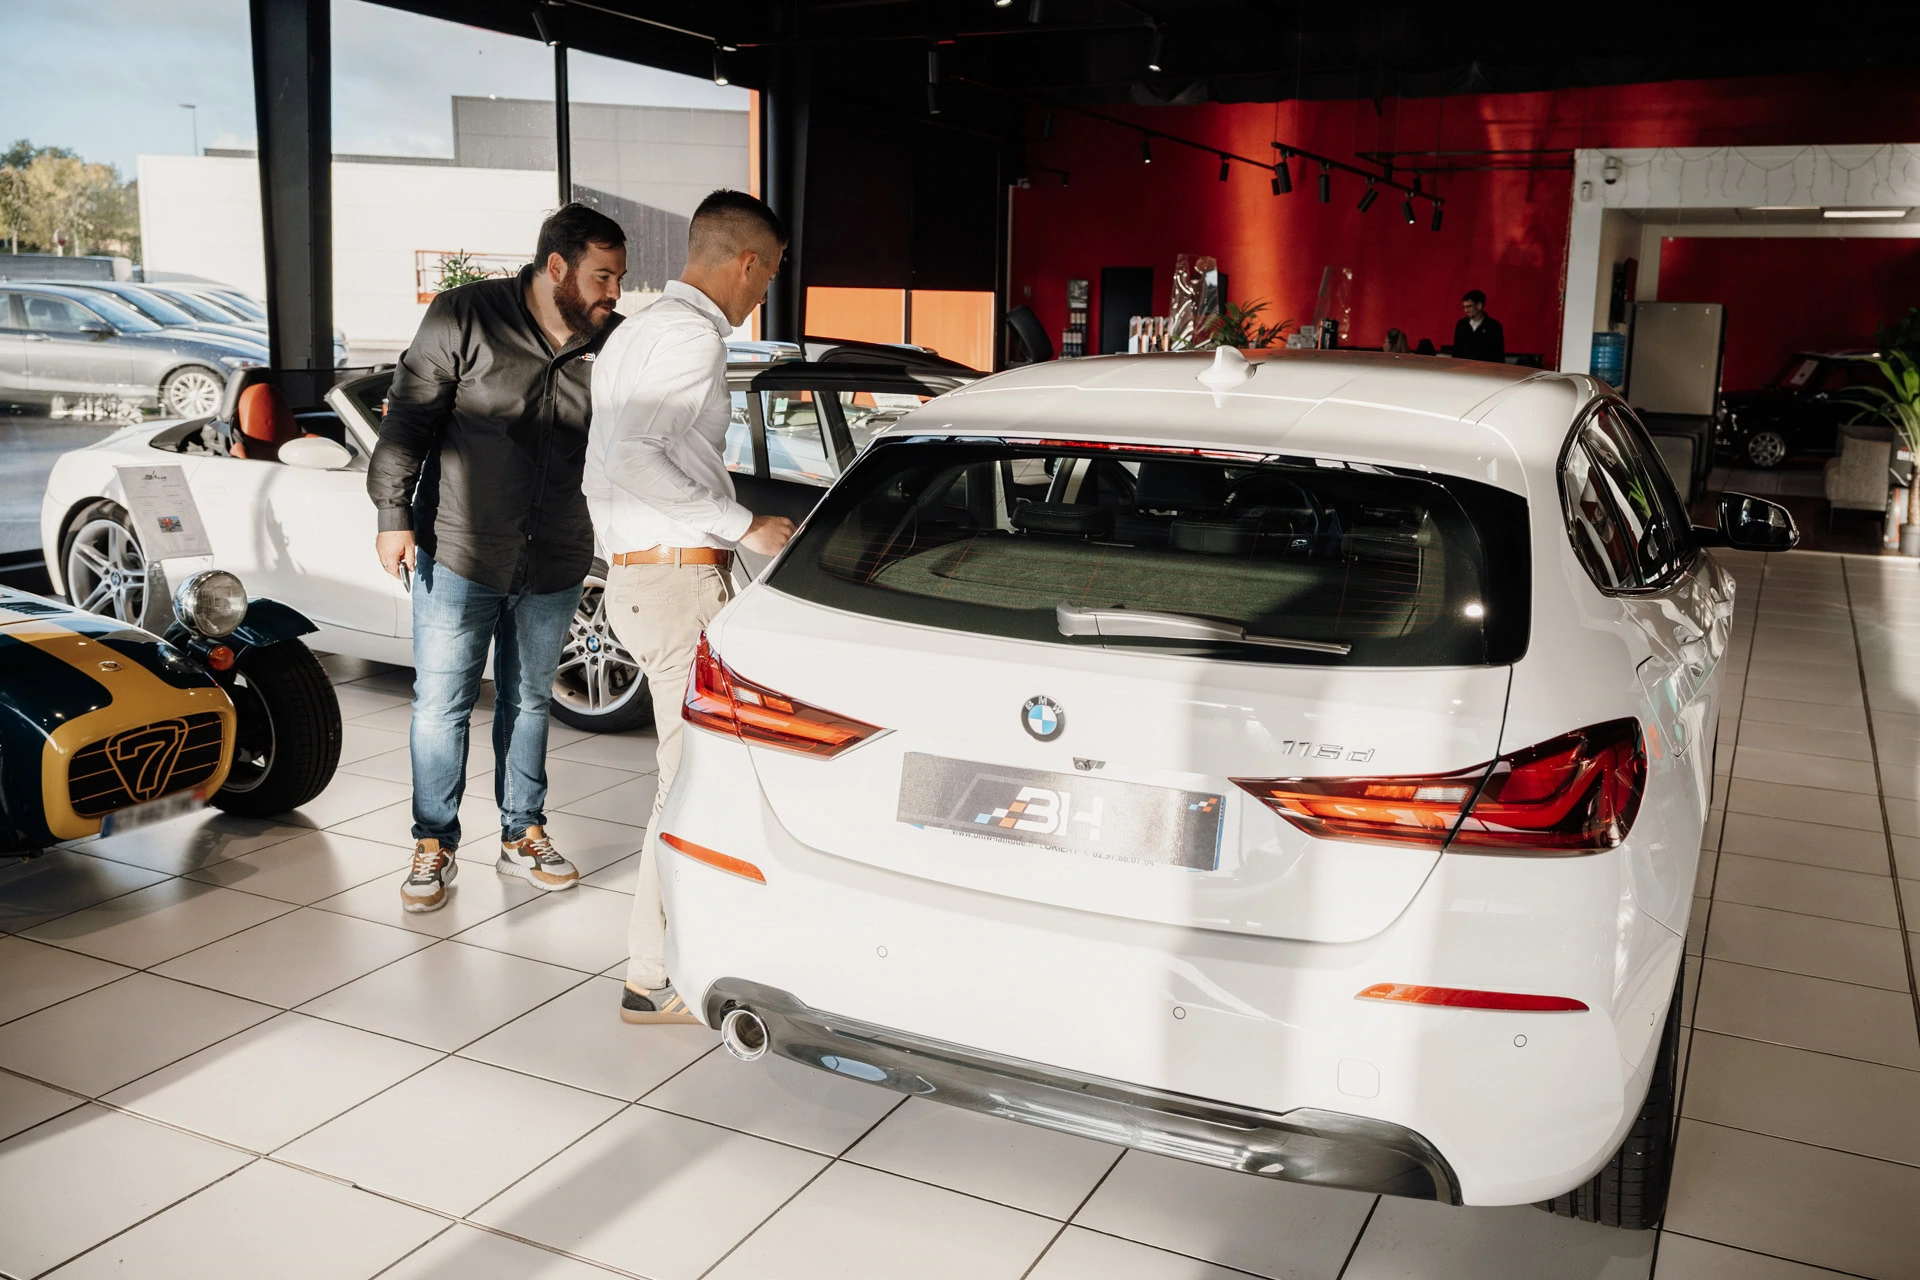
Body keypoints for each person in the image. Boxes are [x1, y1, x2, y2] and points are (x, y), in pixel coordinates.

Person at [367, 203, 629, 914]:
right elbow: (408, 417)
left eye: (619, 279)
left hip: (558, 552)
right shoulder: (465, 315)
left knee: (530, 698)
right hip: (458, 549)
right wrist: (393, 514)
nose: (614, 293)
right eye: (603, 276)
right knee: (443, 703)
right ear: (556, 267)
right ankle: (433, 843)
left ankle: (522, 833)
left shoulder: (615, 344)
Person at [583, 189, 795, 1024]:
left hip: (650, 577)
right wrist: (745, 525)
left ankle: (679, 953)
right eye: (770, 274)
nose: (765, 292)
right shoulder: (693, 337)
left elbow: (621, 455)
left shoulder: (635, 331)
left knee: (695, 774)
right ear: (747, 262)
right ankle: (651, 977)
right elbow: (635, 456)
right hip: (674, 583)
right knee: (687, 782)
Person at [1452, 290, 1506, 364]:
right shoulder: (1461, 325)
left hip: (1486, 372)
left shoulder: (1494, 326)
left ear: (1479, 305)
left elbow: (1498, 355)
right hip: (1463, 371)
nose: (1465, 310)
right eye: (1464, 307)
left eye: (1469, 306)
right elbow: (1456, 351)